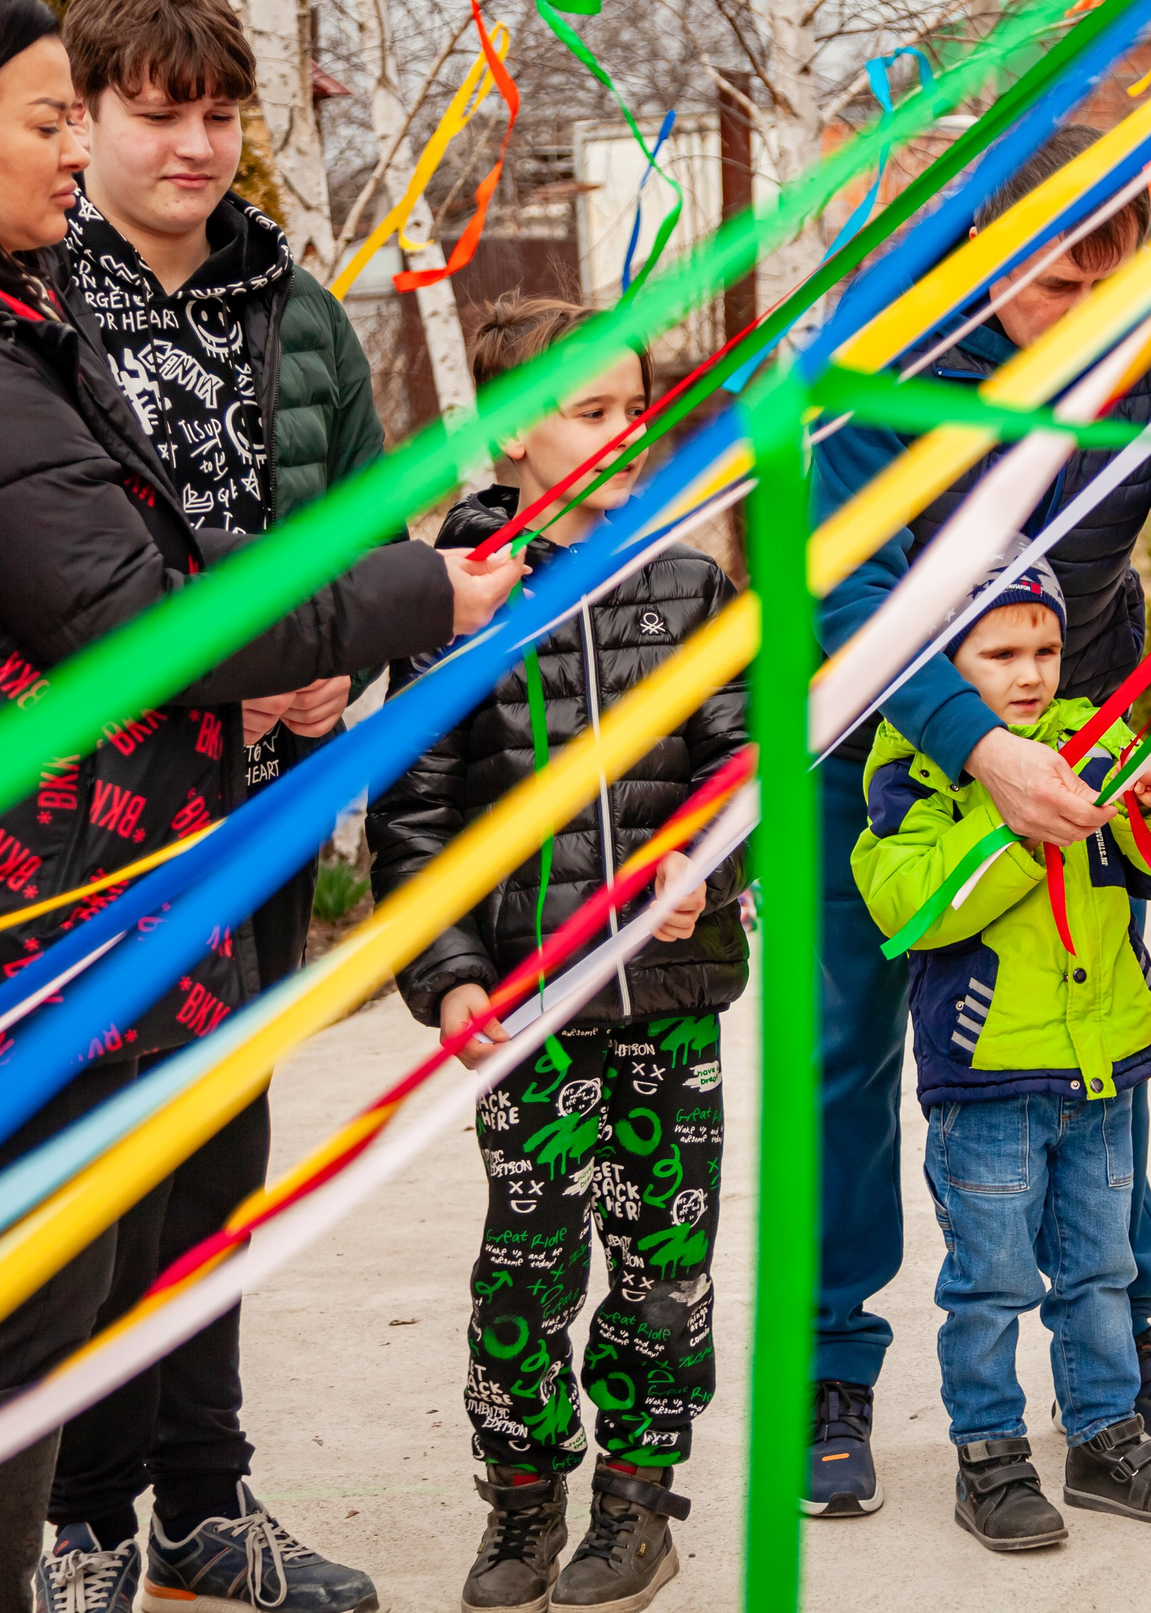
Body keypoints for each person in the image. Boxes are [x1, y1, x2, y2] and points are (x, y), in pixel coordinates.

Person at [0, 0, 517, 1613]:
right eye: (50, 117)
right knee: (9, 1320)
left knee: (9, 1291)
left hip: (85, 875)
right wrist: (417, 597)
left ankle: (98, 1537)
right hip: (22, 902)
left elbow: (142, 566)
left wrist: (361, 602)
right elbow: (142, 618)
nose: (76, 152)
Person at [806, 123, 1151, 1511]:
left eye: (1106, 279)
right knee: (850, 1041)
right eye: (1052, 287)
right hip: (876, 734)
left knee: (1088, 1023)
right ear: (985, 249)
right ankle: (834, 1367)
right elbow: (841, 585)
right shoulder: (879, 341)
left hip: (1076, 712)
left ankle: (1117, 1346)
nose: (1082, 316)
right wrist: (977, 746)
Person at [37, 0, 394, 1611]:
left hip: (261, 808)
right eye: (157, 113)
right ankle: (78, 1520)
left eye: (219, 114)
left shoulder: (303, 309)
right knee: (91, 1165)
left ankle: (201, 1502)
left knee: (217, 1151)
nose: (194, 148)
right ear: (87, 114)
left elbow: (368, 534)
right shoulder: (33, 305)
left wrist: (344, 658)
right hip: (95, 823)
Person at [366, 294, 748, 1613]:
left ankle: (638, 1502)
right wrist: (451, 970)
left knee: (664, 1257)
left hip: (672, 998)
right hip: (529, 1005)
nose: (628, 431)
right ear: (518, 434)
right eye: (593, 410)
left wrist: (709, 859)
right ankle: (522, 1500)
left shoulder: (693, 579)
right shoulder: (457, 599)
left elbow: (742, 757)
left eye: (637, 406)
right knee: (527, 1258)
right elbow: (411, 808)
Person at [851, 562, 1151, 1553]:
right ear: (943, 663)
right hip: (989, 1078)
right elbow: (909, 906)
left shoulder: (1096, 739)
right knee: (990, 1280)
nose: (1029, 674)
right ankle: (990, 1457)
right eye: (999, 654)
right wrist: (1017, 828)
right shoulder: (914, 767)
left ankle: (1104, 1438)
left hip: (1104, 1067)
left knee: (1101, 1266)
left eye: (1045, 650)